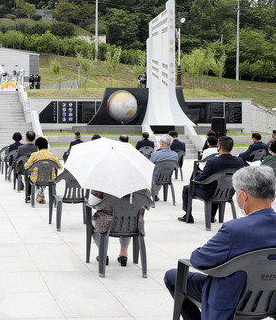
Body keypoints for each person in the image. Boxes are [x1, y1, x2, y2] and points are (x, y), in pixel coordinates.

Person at [165, 166, 276, 320]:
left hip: (232, 300)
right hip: (271, 299)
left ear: (243, 195)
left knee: (172, 276)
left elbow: (199, 260)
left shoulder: (235, 230)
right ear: (274, 196)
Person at [179, 136, 247, 223]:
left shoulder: (212, 162)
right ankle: (211, 216)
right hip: (228, 192)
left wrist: (193, 181)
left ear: (219, 147)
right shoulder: (239, 161)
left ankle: (188, 216)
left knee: (187, 188)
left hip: (209, 193)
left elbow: (202, 177)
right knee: (217, 187)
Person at [89, 188, 151, 267]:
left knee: (94, 222)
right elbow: (149, 203)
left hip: (107, 223)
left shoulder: (103, 182)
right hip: (133, 222)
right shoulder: (140, 185)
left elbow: (92, 202)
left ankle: (102, 254)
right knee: (127, 219)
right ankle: (123, 255)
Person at [23, 137, 62, 202]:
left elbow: (26, 166)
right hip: (50, 178)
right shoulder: (52, 155)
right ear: (47, 146)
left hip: (36, 178)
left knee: (29, 179)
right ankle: (51, 196)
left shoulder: (34, 155)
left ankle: (28, 196)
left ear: (37, 146)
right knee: (50, 178)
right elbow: (60, 167)